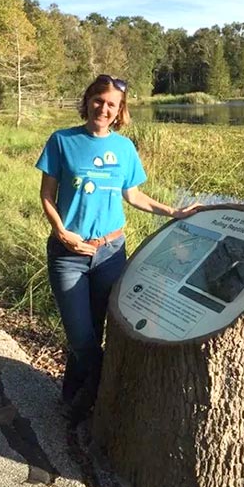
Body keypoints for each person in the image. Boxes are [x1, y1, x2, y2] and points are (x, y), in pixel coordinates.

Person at [36, 74, 200, 423]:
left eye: (112, 104)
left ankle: (74, 397)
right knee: (81, 337)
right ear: (88, 100)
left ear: (119, 110)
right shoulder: (62, 141)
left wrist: (175, 212)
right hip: (69, 254)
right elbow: (47, 195)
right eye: (99, 100)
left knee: (97, 328)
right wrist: (61, 232)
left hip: (111, 253)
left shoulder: (124, 148)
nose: (104, 108)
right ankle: (101, 394)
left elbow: (133, 195)